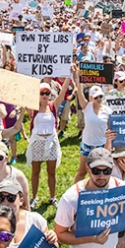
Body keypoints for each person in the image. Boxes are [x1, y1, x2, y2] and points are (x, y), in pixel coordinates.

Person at [55, 148, 125, 248]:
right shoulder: (72, 198)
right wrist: (91, 238)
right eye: (96, 171)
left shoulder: (121, 189)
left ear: (112, 168)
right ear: (87, 168)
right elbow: (60, 234)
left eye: (106, 171)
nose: (101, 176)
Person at [25, 80, 70, 209]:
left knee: (51, 172)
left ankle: (53, 197)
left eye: (47, 93)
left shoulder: (53, 106)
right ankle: (34, 197)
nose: (44, 95)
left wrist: (69, 76)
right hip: (37, 142)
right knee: (35, 171)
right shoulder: (32, 108)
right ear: (38, 94)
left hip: (51, 142)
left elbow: (62, 93)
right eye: (42, 93)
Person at [72, 62, 113, 183]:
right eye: (96, 97)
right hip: (87, 144)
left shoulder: (107, 111)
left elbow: (110, 130)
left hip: (102, 145)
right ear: (90, 98)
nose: (99, 99)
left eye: (100, 96)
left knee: (101, 173)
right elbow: (79, 92)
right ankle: (75, 194)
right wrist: (77, 77)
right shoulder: (86, 106)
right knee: (82, 172)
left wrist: (110, 145)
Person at [0, 179, 58, 248]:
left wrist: (52, 239)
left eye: (11, 198)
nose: (5, 203)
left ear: (21, 201)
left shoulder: (35, 220)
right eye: (0, 198)